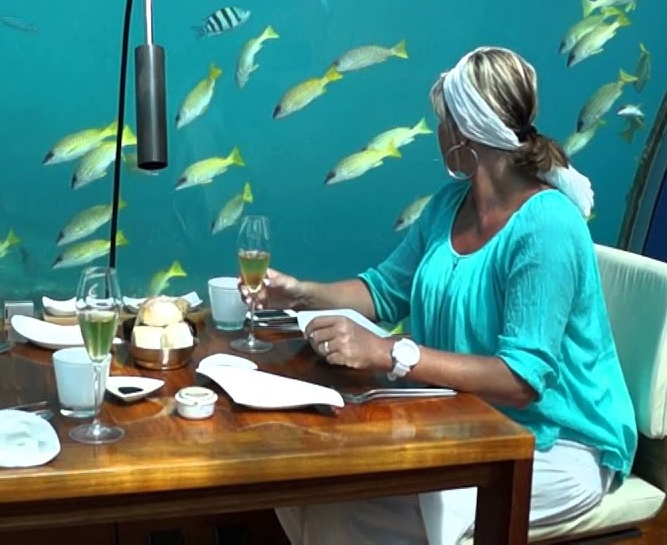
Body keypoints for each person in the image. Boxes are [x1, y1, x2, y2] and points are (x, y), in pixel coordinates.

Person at [243, 46, 637, 544]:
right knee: (310, 488)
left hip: (553, 445)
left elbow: (521, 380)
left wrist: (390, 353)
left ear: (466, 132)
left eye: (443, 121)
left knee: (344, 515)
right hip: (465, 424)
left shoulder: (548, 227)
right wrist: (300, 293)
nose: (438, 132)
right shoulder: (449, 204)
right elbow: (384, 291)